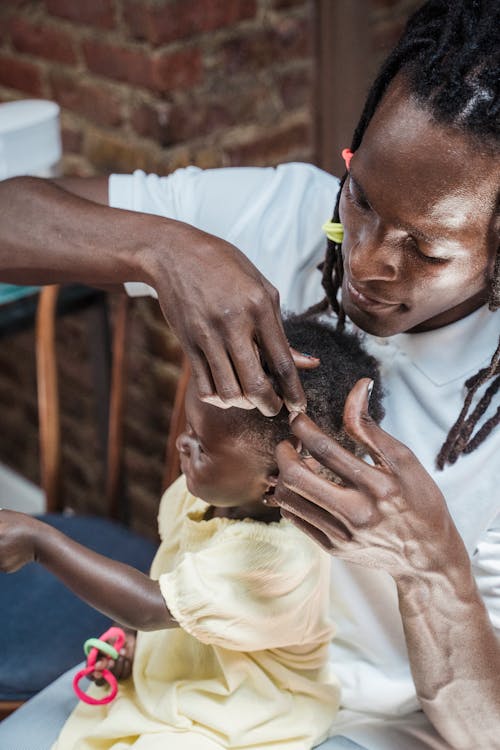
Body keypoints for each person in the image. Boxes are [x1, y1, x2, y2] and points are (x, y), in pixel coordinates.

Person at [0, 1, 498, 747]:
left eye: (424, 250)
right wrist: (161, 248)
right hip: (197, 665)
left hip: (373, 728)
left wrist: (434, 571)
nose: (364, 261)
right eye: (359, 199)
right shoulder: (283, 214)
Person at [0, 317, 384, 750]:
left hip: (242, 709)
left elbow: (150, 605)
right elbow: (174, 576)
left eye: (201, 443)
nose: (183, 444)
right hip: (183, 667)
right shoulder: (201, 494)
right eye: (188, 427)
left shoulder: (275, 558)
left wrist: (41, 542)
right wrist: (131, 636)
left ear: (282, 476)